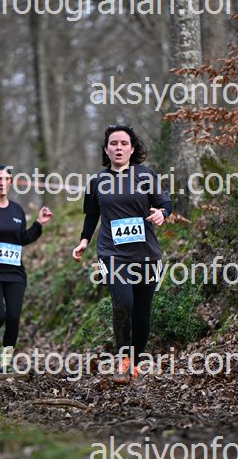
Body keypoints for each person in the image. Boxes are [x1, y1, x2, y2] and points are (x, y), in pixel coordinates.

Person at [72, 124, 172, 383]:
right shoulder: (97, 181)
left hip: (146, 253)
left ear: (132, 148)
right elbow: (92, 215)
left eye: (124, 143)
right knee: (123, 304)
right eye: (113, 143)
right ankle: (123, 358)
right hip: (112, 253)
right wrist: (83, 241)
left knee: (142, 311)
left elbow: (165, 203)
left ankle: (136, 362)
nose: (119, 148)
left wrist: (162, 213)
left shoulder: (145, 175)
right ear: (106, 149)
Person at [0, 164, 53, 365]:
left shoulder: (16, 209)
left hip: (14, 272)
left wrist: (39, 223)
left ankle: (5, 363)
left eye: (6, 179)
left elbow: (22, 239)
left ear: (11, 182)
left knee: (13, 318)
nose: (3, 183)